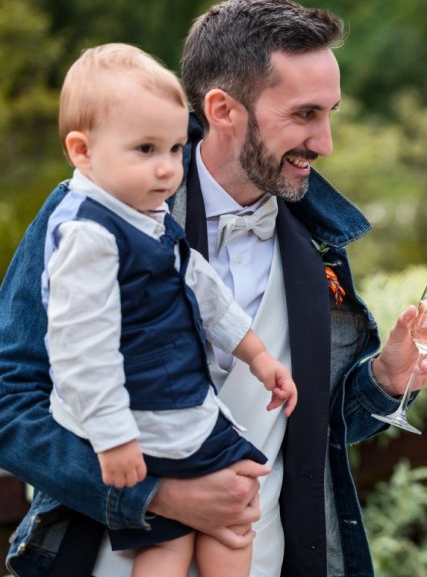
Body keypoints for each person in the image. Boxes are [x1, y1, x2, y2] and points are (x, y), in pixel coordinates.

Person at [0, 0, 427, 577]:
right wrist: (156, 497)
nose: (325, 144)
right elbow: (9, 401)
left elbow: (304, 431)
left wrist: (385, 381)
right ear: (223, 109)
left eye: (329, 114)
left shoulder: (318, 242)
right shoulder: (90, 215)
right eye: (303, 115)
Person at [43, 42, 299, 576]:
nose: (167, 169)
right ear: (82, 151)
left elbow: (204, 291)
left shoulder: (146, 215)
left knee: (191, 533)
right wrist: (114, 437)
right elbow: (79, 349)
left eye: (175, 148)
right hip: (143, 424)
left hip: (173, 415)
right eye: (145, 150)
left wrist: (257, 356)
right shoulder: (87, 233)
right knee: (231, 516)